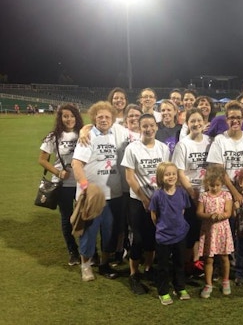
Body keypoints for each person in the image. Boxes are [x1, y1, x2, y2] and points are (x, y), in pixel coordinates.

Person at [71, 101, 123, 282]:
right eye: (99, 116)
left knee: (109, 233)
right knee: (89, 233)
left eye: (107, 116)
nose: (103, 119)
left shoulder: (115, 135)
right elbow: (76, 164)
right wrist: (86, 187)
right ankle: (86, 266)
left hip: (113, 195)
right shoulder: (88, 137)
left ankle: (104, 264)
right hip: (92, 198)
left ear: (113, 119)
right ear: (93, 118)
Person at [121, 113, 170, 295]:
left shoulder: (163, 148)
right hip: (138, 201)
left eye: (151, 125)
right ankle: (134, 274)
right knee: (138, 239)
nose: (148, 129)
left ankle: (149, 268)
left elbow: (166, 174)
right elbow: (129, 177)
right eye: (144, 126)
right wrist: (144, 198)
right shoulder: (132, 148)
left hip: (157, 200)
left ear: (156, 127)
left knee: (153, 238)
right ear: (139, 128)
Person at [38, 104, 83, 266]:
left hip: (80, 183)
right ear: (60, 118)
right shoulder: (53, 136)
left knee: (83, 217)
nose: (69, 119)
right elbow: (42, 159)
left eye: (72, 116)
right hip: (62, 184)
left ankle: (87, 251)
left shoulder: (83, 133)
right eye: (65, 116)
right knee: (67, 218)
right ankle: (73, 252)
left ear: (76, 117)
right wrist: (58, 173)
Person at [172, 108, 211, 276]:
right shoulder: (183, 145)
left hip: (207, 192)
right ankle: (186, 263)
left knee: (204, 229)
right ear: (187, 124)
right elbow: (180, 172)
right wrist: (191, 192)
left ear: (204, 123)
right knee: (190, 229)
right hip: (188, 193)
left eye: (198, 120)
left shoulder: (211, 141)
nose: (196, 124)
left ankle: (198, 261)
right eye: (192, 121)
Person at [149, 162, 191, 305]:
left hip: (180, 234)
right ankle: (164, 292)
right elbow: (154, 215)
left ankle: (180, 287)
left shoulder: (182, 192)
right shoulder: (157, 195)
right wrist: (163, 227)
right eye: (167, 174)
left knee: (179, 263)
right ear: (160, 177)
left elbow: (182, 210)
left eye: (173, 173)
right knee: (163, 266)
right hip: (164, 237)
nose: (171, 177)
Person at [206, 100, 243, 204]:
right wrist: (234, 192)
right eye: (231, 118)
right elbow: (220, 171)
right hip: (225, 191)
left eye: (238, 118)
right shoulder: (219, 140)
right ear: (226, 120)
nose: (235, 121)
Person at [197, 166, 234, 298]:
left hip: (222, 230)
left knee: (224, 257)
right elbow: (199, 213)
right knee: (209, 258)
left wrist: (221, 216)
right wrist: (209, 216)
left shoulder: (226, 195)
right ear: (207, 183)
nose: (215, 188)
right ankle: (208, 284)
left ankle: (225, 281)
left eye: (217, 185)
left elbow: (228, 212)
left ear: (222, 184)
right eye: (212, 185)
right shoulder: (204, 196)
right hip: (209, 231)